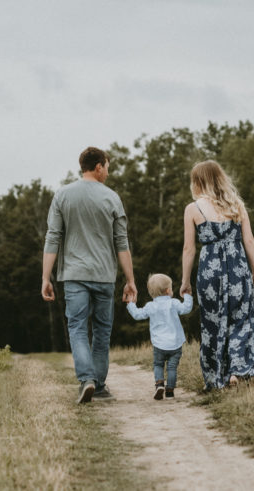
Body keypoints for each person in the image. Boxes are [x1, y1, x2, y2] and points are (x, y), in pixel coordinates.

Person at [42, 146, 138, 404]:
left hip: (74, 275)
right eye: (107, 167)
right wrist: (130, 280)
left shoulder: (62, 195)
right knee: (102, 331)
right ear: (98, 167)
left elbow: (53, 237)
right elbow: (122, 242)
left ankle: (87, 380)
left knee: (77, 327)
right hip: (104, 276)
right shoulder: (112, 198)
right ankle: (101, 386)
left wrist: (45, 277)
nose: (107, 172)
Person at [180, 160, 254, 390]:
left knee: (213, 322)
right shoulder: (237, 205)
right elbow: (249, 240)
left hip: (210, 271)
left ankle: (216, 376)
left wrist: (185, 281)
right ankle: (237, 371)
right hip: (238, 267)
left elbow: (189, 249)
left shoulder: (193, 209)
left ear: (197, 181)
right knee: (240, 319)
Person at [126, 273, 194, 399]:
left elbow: (137, 315)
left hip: (159, 344)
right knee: (172, 367)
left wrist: (130, 303)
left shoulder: (150, 306)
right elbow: (186, 308)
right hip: (175, 344)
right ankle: (170, 391)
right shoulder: (174, 303)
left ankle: (159, 384)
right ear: (168, 290)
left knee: (158, 364)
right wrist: (187, 295)